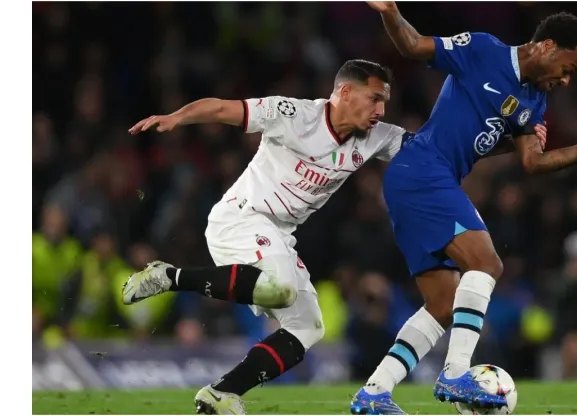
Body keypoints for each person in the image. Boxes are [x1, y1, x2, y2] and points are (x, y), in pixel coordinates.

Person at [123, 57, 549, 415]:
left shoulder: (375, 137)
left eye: (385, 101)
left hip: (279, 234)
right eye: (375, 98)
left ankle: (221, 393)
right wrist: (177, 117)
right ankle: (170, 276)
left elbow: (437, 150)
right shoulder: (294, 116)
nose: (381, 110)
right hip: (241, 218)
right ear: (344, 93)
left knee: (308, 327)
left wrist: (515, 143)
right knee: (282, 289)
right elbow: (223, 110)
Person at [350, 3, 577, 415]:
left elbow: (533, 162)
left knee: (443, 304)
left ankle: (374, 392)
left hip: (426, 181)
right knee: (487, 264)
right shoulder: (482, 50)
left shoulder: (535, 100)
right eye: (568, 69)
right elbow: (412, 45)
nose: (566, 81)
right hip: (422, 168)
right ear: (547, 46)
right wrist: (389, 10)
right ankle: (456, 372)